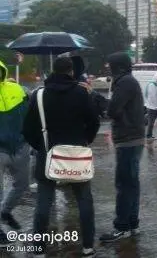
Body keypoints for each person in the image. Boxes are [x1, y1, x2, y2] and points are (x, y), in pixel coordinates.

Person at [22, 57, 100, 257]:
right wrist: (85, 141)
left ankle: (39, 249)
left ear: (52, 71)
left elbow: (27, 129)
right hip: (77, 156)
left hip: (47, 155)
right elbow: (94, 122)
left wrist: (42, 147)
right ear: (71, 72)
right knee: (84, 200)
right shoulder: (83, 94)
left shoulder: (39, 95)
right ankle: (88, 246)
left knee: (43, 203)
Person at [99, 52, 145, 243]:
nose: (107, 68)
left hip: (127, 139)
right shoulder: (128, 81)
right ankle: (132, 224)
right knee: (132, 184)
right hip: (133, 138)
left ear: (117, 67)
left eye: (110, 65)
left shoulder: (124, 83)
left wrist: (96, 99)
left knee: (124, 184)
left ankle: (122, 226)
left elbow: (113, 110)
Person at [0, 61, 30, 247]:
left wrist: (27, 139)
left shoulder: (16, 88)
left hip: (20, 146)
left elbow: (29, 112)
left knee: (22, 184)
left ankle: (5, 212)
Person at [145, 73, 157, 140]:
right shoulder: (151, 85)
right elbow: (152, 97)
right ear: (156, 77)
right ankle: (149, 136)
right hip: (151, 108)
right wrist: (156, 106)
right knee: (151, 123)